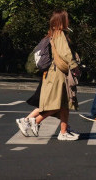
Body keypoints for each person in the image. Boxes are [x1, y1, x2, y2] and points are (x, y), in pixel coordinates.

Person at [18, 9, 80, 140]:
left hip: (55, 72)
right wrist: (74, 66)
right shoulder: (59, 34)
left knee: (63, 103)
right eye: (66, 18)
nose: (68, 20)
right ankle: (33, 121)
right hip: (57, 73)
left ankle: (64, 132)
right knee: (56, 103)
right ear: (61, 21)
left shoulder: (54, 33)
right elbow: (65, 52)